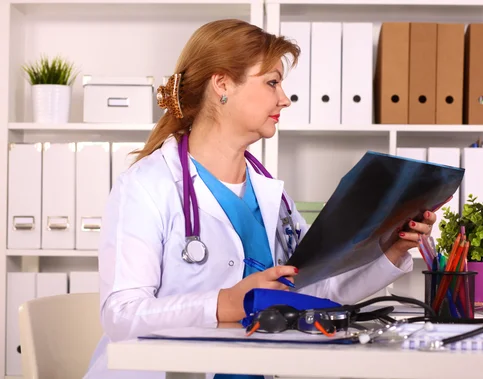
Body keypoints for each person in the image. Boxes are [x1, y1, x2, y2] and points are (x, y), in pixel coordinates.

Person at [83, 19, 438, 379]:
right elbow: (121, 315)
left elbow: (311, 288)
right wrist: (225, 303)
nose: (284, 98)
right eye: (272, 82)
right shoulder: (147, 185)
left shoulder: (270, 193)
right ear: (222, 83)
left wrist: (390, 249)